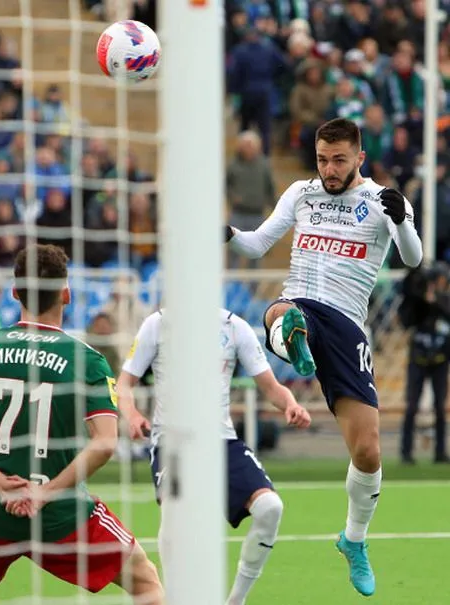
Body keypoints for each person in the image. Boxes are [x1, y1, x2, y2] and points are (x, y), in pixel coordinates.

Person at [225, 117, 423, 596]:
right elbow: (257, 243)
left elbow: (413, 258)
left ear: (359, 157)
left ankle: (353, 539)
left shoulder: (382, 200)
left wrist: (401, 220)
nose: (328, 170)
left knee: (368, 451)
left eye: (338, 160)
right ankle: (293, 340)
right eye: (321, 160)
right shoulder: (301, 193)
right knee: (283, 312)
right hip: (302, 300)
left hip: (347, 325)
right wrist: (226, 232)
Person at [0, 244, 163, 605]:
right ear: (66, 294)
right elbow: (104, 443)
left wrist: (0, 483)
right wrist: (45, 492)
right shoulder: (86, 360)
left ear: (15, 293)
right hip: (61, 513)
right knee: (145, 581)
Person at [116, 308, 311, 605]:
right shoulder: (158, 324)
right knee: (174, 516)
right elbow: (124, 383)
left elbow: (271, 387)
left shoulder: (235, 327)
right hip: (173, 442)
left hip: (221, 441)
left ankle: (236, 601)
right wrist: (131, 415)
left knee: (270, 508)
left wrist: (291, 405)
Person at [398, 262, 450, 464]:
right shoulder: (417, 303)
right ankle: (406, 452)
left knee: (440, 408)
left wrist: (435, 301)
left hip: (440, 360)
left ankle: (440, 452)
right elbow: (406, 319)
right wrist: (420, 298)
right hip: (418, 359)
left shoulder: (445, 301)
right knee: (411, 406)